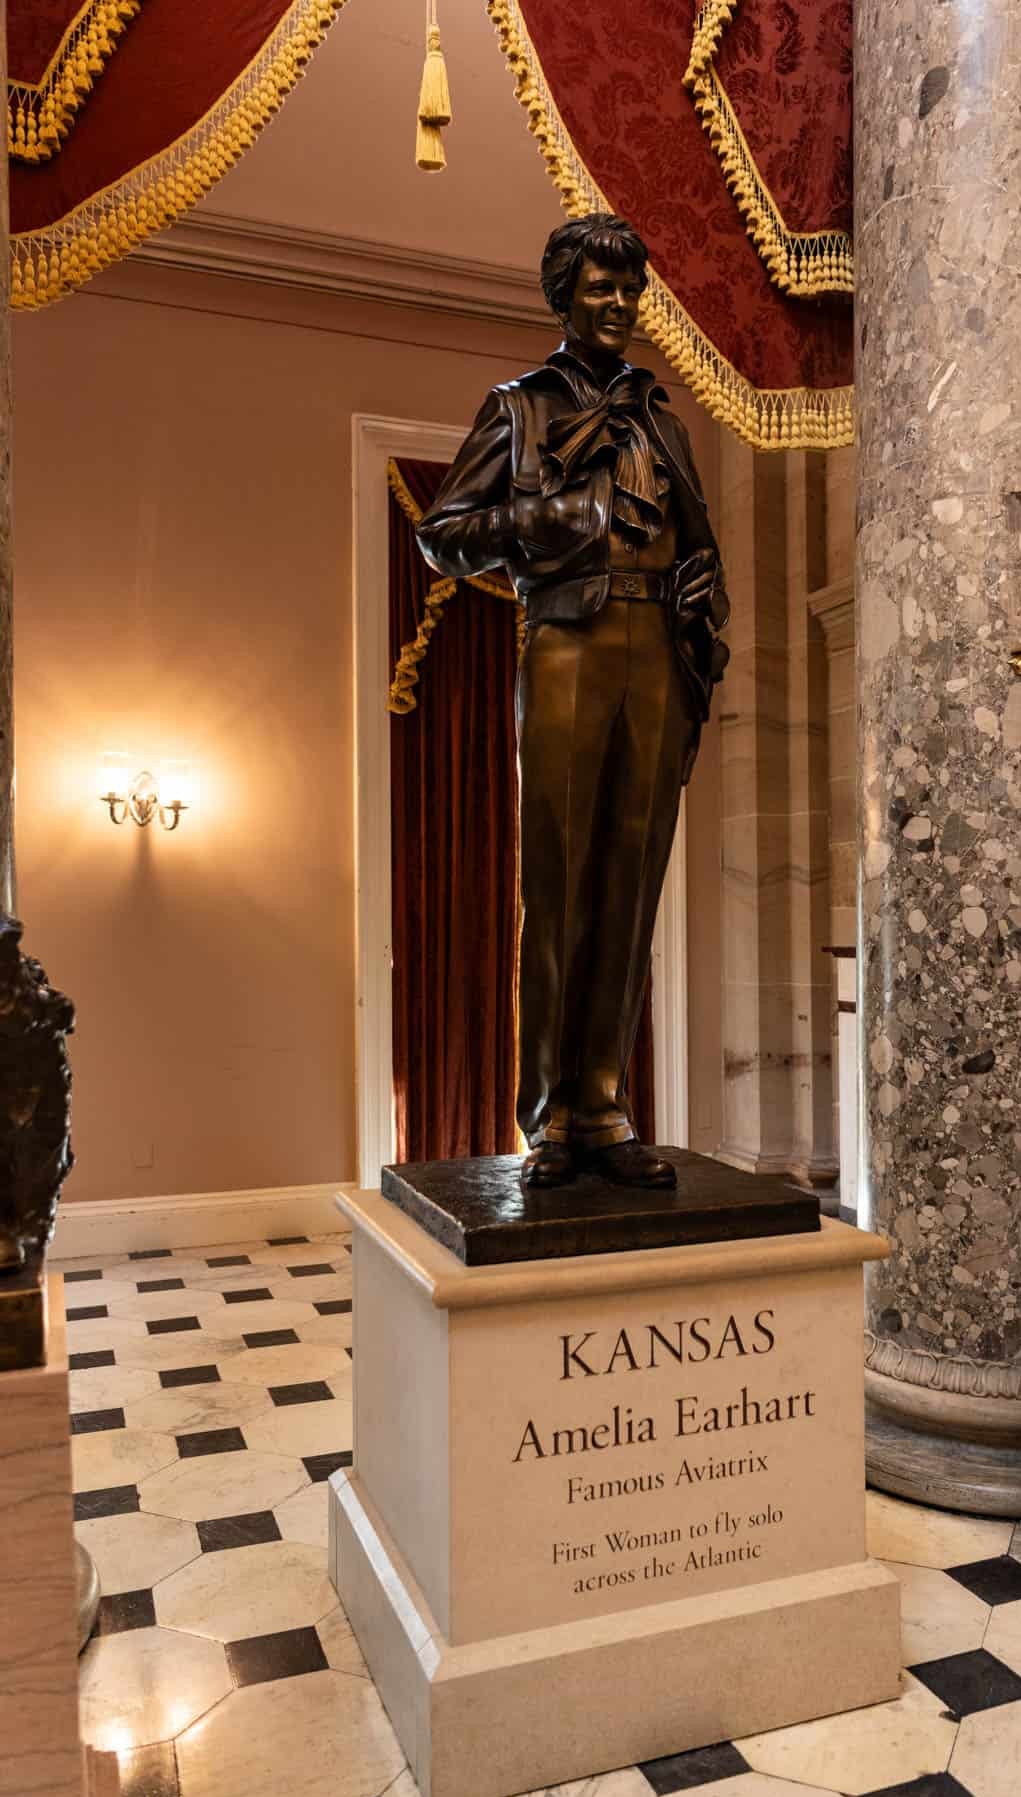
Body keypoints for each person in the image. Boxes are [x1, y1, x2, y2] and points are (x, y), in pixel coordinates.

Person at [418, 214, 728, 1189]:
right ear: (564, 296)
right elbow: (443, 535)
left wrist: (702, 588)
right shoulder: (519, 409)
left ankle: (603, 1106)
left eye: (631, 290)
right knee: (555, 888)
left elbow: (701, 543)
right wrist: (550, 516)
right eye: (602, 288)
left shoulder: (661, 420)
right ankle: (549, 1119)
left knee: (631, 889)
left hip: (657, 651)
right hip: (566, 639)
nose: (621, 305)